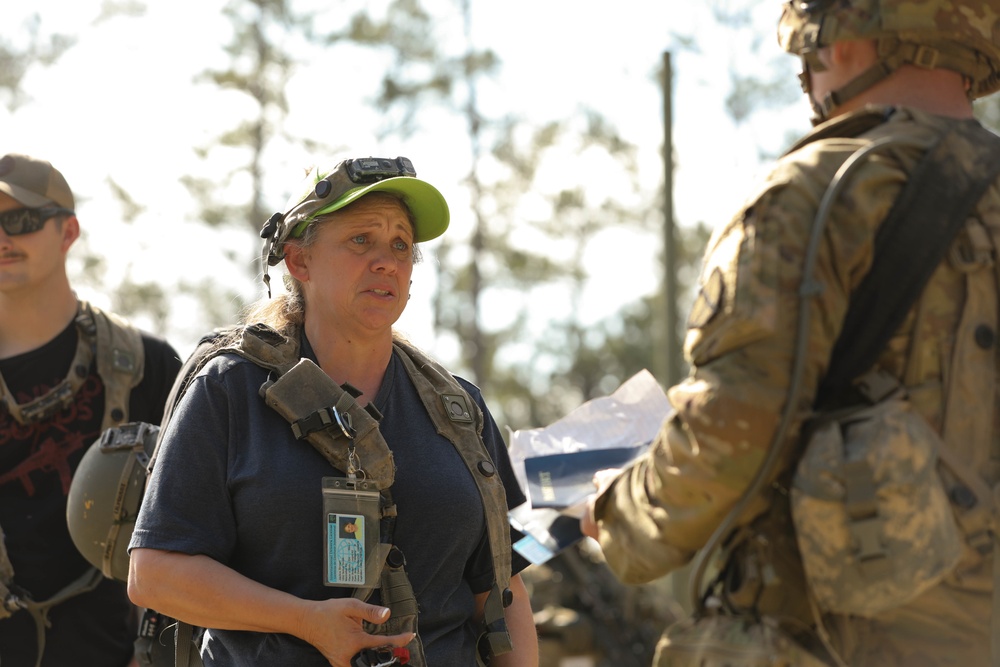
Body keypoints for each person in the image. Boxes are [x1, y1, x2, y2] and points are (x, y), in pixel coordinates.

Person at [582, 2, 1000, 666]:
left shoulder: (814, 192)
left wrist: (613, 515)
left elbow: (731, 431)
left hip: (834, 637)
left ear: (840, 43)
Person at [127, 156, 539, 667]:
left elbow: (504, 593)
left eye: (401, 245)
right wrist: (302, 619)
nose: (387, 261)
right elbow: (155, 574)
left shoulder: (458, 411)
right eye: (361, 240)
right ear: (300, 262)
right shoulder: (229, 391)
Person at [0, 153, 182, 667]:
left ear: (68, 232)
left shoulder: (145, 364)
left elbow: (202, 522)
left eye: (21, 219)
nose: (3, 236)